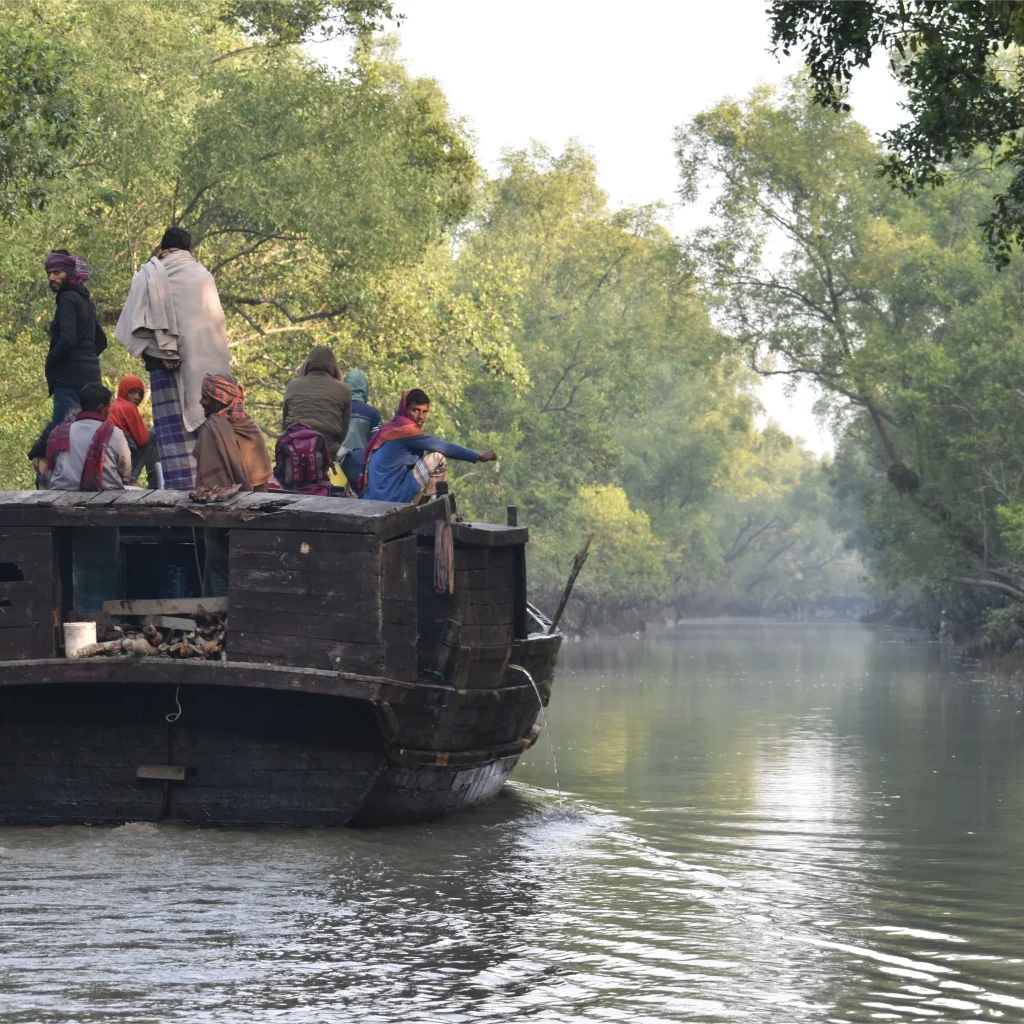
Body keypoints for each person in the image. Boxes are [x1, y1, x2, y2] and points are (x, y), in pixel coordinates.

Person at [114, 226, 231, 490]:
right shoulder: (203, 277)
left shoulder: (148, 273)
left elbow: (137, 326)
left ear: (164, 248)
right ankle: (211, 487)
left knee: (172, 439)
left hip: (163, 373)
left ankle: (181, 492)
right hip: (205, 376)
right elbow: (215, 327)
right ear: (189, 250)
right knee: (206, 429)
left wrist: (163, 351)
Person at [46, 382, 130, 616]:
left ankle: (67, 619)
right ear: (103, 408)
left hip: (61, 509)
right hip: (101, 509)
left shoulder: (61, 430)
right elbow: (126, 471)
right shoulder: (113, 433)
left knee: (66, 568)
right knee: (101, 568)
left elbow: (50, 469)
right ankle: (98, 619)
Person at [193, 373, 272, 596]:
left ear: (218, 399)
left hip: (221, 515)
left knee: (219, 569)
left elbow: (208, 483)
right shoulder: (251, 427)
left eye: (205, 397)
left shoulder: (213, 429)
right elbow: (262, 474)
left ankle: (221, 622)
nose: (201, 402)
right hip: (254, 514)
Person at [361, 388, 497, 504]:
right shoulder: (407, 431)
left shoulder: (391, 428)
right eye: (415, 410)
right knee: (438, 458)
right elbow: (447, 448)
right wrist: (478, 456)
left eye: (425, 412)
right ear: (405, 409)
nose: (420, 416)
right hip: (389, 498)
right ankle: (421, 509)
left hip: (374, 496)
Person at [43, 249, 107, 434]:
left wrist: (51, 361)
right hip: (91, 377)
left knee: (65, 436)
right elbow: (101, 341)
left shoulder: (67, 298)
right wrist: (86, 358)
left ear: (69, 273)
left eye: (57, 272)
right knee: (90, 435)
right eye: (49, 273)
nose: (51, 278)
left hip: (69, 380)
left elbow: (68, 339)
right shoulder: (85, 300)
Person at [281, 346, 351, 458]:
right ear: (334, 367)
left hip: (293, 449)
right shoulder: (344, 390)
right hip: (326, 451)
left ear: (307, 364)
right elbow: (343, 432)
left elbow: (285, 423)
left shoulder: (292, 386)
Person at [107, 375, 161, 486]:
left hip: (110, 451)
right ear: (124, 391)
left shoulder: (114, 405)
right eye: (132, 392)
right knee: (153, 435)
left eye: (140, 394)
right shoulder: (128, 407)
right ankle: (132, 478)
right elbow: (143, 440)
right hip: (122, 447)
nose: (137, 397)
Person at [339, 368, 381, 494]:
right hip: (361, 468)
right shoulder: (372, 413)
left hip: (338, 466)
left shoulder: (337, 409)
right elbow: (377, 446)